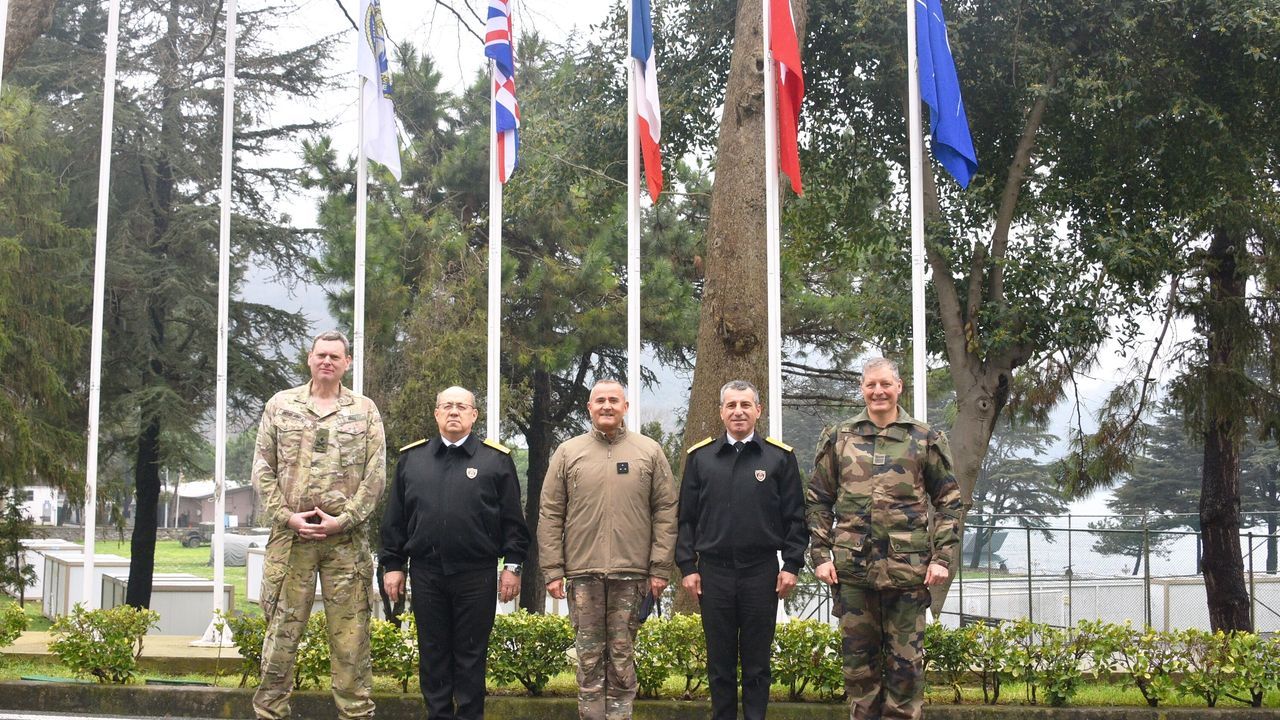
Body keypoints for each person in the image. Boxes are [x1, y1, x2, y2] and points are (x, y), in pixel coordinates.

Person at [805, 358, 966, 720]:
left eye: (885, 384)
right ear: (862, 389)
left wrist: (942, 558)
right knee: (858, 669)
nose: (878, 391)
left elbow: (949, 502)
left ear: (899, 387)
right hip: (852, 572)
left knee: (906, 668)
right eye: (871, 385)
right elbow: (818, 500)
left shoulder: (924, 438)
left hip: (908, 572)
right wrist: (821, 555)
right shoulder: (840, 438)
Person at [251, 330, 386, 720]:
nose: (327, 361)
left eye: (335, 356)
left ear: (347, 363)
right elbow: (262, 468)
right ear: (310, 358)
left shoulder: (364, 410)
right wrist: (287, 516)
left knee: (351, 640)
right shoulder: (281, 405)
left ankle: (355, 714)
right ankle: (270, 712)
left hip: (345, 543)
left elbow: (376, 475)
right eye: (321, 355)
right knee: (281, 635)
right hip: (290, 540)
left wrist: (343, 520)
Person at [380, 385, 529, 720]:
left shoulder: (496, 461)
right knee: (433, 655)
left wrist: (513, 565)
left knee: (471, 656)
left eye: (461, 406)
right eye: (446, 406)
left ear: (474, 415)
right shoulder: (412, 460)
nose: (453, 412)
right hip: (427, 573)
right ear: (436, 413)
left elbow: (513, 522)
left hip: (476, 574)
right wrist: (393, 564)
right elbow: (395, 520)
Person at [538, 379, 678, 720]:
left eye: (614, 400)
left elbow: (666, 511)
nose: (607, 406)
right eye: (599, 400)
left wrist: (660, 568)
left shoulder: (649, 452)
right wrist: (553, 570)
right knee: (588, 659)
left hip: (632, 575)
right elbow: (551, 513)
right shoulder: (568, 453)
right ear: (589, 407)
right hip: (582, 574)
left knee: (621, 656)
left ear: (625, 407)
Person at [677, 380, 808, 720]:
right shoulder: (701, 458)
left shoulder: (779, 458)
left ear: (758, 410)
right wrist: (687, 567)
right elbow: (686, 519)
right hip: (714, 573)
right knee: (719, 664)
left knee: (757, 664)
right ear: (721, 412)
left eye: (745, 405)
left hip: (760, 572)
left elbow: (796, 518)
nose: (738, 412)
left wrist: (791, 565)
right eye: (731, 405)